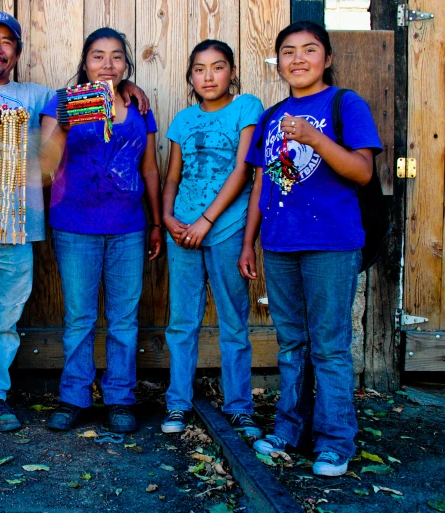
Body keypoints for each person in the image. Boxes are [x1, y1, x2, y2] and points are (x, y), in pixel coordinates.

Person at [0, 12, 149, 449]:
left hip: (18, 230)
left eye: (7, 42)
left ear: (17, 52)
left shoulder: (38, 97)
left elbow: (87, 103)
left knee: (5, 322)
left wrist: (125, 87)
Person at [239, 21, 381, 477]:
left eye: (309, 50)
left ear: (328, 58)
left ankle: (335, 440)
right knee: (291, 342)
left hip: (331, 244)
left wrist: (316, 138)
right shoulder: (271, 114)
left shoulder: (345, 104)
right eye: (288, 52)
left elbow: (361, 170)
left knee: (330, 346)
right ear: (277, 61)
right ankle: (290, 430)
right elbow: (262, 182)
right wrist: (249, 243)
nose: (298, 59)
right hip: (280, 244)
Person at [39, 27, 162, 433]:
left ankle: (120, 398)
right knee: (80, 317)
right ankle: (74, 395)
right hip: (75, 225)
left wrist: (157, 221)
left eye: (116, 57)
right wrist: (65, 123)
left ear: (126, 64)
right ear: (85, 62)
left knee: (124, 318)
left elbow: (148, 167)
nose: (107, 65)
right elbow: (45, 165)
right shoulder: (64, 102)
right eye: (97, 56)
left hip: (128, 226)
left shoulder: (138, 105)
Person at [160, 40, 263, 438]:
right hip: (182, 232)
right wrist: (169, 218)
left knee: (233, 321)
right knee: (182, 321)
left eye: (218, 67)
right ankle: (177, 404)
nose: (208, 76)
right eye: (199, 69)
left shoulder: (246, 107)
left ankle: (239, 407)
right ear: (190, 76)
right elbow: (172, 176)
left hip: (225, 229)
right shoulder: (183, 120)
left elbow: (243, 172)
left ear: (232, 72)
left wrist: (207, 220)